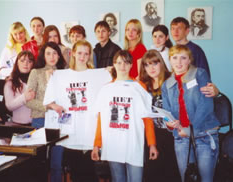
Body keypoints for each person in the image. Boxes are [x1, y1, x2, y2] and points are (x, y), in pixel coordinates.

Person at [43, 40, 112, 182]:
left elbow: (111, 93)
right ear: (72, 53)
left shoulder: (98, 75)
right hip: (70, 132)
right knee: (74, 172)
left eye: (86, 54)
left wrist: (111, 73)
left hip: (89, 132)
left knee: (90, 172)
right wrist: (55, 106)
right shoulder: (60, 75)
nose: (82, 56)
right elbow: (48, 101)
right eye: (79, 53)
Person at [91, 50, 158, 182]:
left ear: (131, 65)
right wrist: (96, 144)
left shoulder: (139, 87)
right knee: (117, 179)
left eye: (126, 62)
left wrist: (152, 143)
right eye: (119, 62)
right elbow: (101, 119)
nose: (122, 66)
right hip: (113, 143)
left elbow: (147, 118)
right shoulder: (106, 89)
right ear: (114, 64)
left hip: (133, 143)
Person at [162, 45, 220, 182]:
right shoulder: (166, 84)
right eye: (175, 58)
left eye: (183, 58)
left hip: (204, 135)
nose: (179, 62)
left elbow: (206, 105)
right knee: (187, 179)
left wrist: (190, 129)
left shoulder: (199, 74)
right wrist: (170, 124)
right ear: (170, 60)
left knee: (206, 179)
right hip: (181, 138)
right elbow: (167, 112)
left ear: (189, 60)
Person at [26, 42, 66, 182]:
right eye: (48, 53)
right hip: (40, 120)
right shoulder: (35, 72)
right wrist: (49, 106)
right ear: (43, 55)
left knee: (57, 164)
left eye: (55, 53)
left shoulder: (65, 73)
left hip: (58, 122)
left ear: (59, 56)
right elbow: (28, 101)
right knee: (39, 163)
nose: (52, 56)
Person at [139, 50, 181, 182]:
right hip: (151, 133)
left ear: (161, 64)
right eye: (146, 65)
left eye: (154, 64)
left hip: (170, 133)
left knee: (170, 172)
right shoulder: (143, 85)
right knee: (151, 173)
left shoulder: (172, 81)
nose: (151, 68)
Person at [4, 50, 35, 126]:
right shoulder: (10, 82)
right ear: (17, 63)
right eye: (22, 60)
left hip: (36, 124)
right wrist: (24, 97)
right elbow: (9, 106)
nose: (26, 63)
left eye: (29, 61)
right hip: (17, 125)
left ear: (33, 64)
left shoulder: (37, 81)